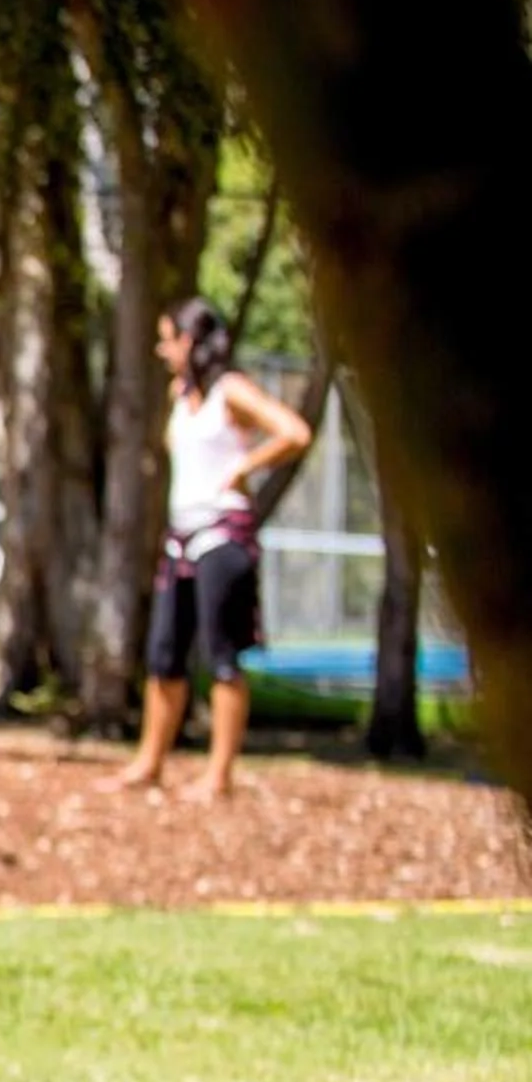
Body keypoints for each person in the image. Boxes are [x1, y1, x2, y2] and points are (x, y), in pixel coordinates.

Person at [108, 297, 311, 800]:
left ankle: (219, 776)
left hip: (222, 535)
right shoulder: (181, 394)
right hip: (182, 536)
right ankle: (149, 763)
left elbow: (294, 432)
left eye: (167, 340)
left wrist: (246, 467)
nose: (161, 350)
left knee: (221, 656)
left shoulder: (230, 390)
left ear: (190, 341)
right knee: (164, 653)